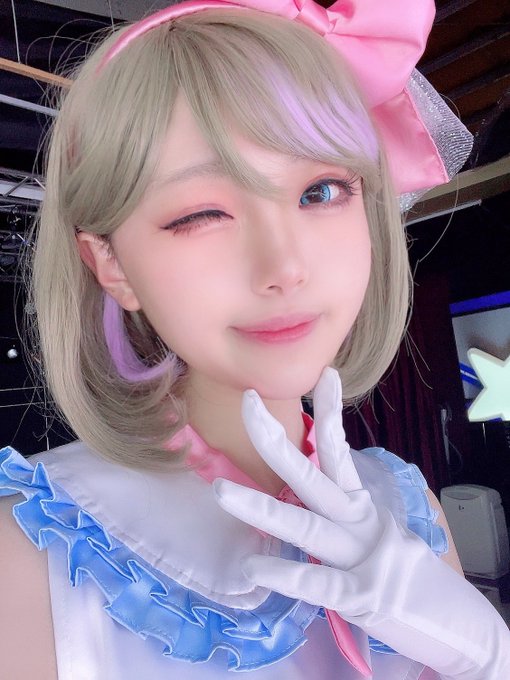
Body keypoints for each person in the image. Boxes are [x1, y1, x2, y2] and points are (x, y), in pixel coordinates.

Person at [1, 1, 509, 678]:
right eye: (201, 214)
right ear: (111, 264)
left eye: (321, 190)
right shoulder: (31, 550)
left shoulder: (410, 505)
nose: (284, 267)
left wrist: (489, 656)